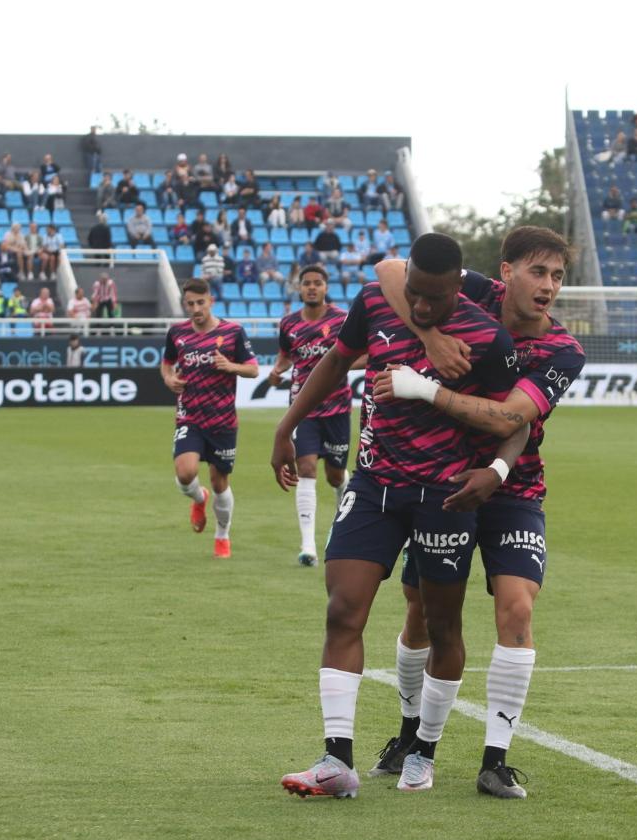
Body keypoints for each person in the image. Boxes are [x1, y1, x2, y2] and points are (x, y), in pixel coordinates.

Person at [273, 233, 522, 800]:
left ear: (458, 286)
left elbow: (516, 421)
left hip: (446, 496)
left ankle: (424, 750)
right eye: (415, 294)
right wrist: (286, 426)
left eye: (435, 299)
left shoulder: (487, 337)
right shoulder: (377, 299)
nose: (423, 307)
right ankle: (337, 760)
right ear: (405, 277)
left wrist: (498, 473)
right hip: (374, 482)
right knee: (343, 610)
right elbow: (337, 361)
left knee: (443, 626)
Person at [367, 226, 585, 800]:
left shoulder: (563, 350)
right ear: (506, 272)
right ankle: (410, 735)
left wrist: (430, 393)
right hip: (441, 482)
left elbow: (509, 421)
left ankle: (496, 760)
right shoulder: (476, 295)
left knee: (516, 608)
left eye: (558, 276)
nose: (549, 286)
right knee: (422, 613)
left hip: (513, 488)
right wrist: (429, 337)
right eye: (538, 272)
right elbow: (390, 268)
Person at [160, 278, 258, 558]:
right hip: (189, 418)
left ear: (210, 301)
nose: (195, 308)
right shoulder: (177, 333)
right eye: (190, 303)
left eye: (200, 302)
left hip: (223, 421)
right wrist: (169, 379)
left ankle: (222, 535)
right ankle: (198, 498)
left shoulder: (232, 332)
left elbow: (252, 370)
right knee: (185, 473)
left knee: (220, 483)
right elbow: (166, 363)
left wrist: (231, 366)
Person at [268, 264, 355, 566]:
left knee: (334, 475)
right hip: (303, 409)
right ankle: (308, 547)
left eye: (317, 283)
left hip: (338, 409)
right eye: (307, 283)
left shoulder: (343, 320)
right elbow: (285, 355)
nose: (312, 288)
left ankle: (341, 515)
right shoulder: (289, 323)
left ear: (326, 287)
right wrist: (278, 370)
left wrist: (342, 367)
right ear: (299, 288)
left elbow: (363, 352)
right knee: (306, 467)